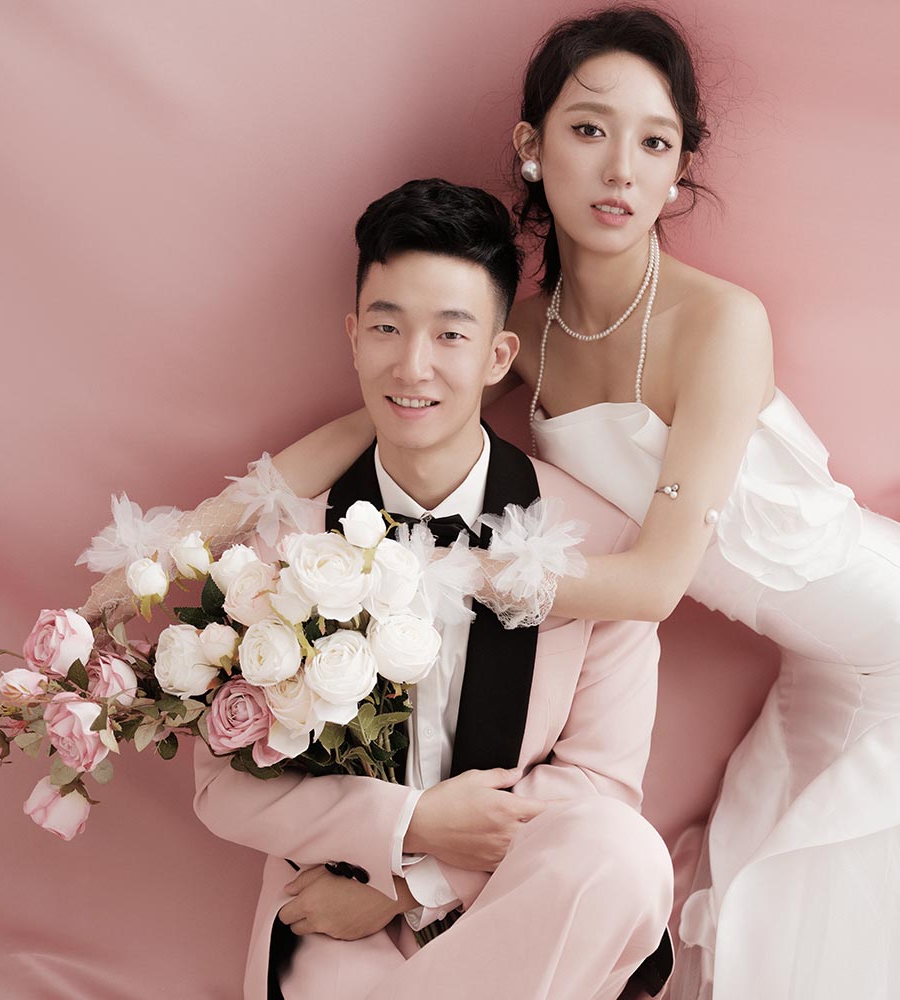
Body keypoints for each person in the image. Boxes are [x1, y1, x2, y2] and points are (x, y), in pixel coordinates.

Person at [79, 8, 900, 999]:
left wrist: (422, 575)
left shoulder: (721, 323)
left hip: (883, 624)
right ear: (531, 145)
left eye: (655, 144)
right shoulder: (524, 334)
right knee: (781, 919)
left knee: (804, 892)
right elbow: (366, 426)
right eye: (589, 130)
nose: (621, 171)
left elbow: (652, 584)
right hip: (814, 663)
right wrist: (167, 549)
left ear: (681, 169)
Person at [192, 178, 672, 1000]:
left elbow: (601, 782)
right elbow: (222, 786)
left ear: (497, 357)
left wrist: (414, 880)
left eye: (450, 334)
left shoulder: (600, 541)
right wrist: (400, 827)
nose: (413, 366)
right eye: (387, 327)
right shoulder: (280, 546)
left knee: (625, 855)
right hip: (333, 904)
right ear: (353, 338)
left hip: (513, 900)